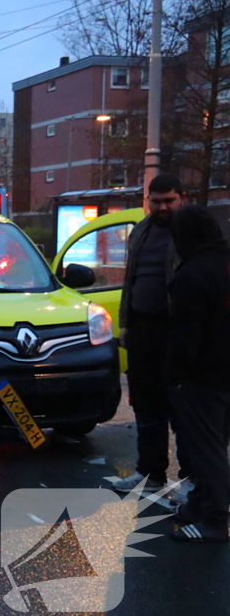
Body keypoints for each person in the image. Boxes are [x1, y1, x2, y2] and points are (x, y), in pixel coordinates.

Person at [111, 174, 191, 495]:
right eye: (155, 200)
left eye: (168, 200)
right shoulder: (141, 231)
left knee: (183, 408)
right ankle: (149, 473)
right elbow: (130, 279)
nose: (161, 207)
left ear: (181, 198)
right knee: (145, 404)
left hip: (175, 331)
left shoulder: (189, 233)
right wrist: (126, 324)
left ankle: (190, 480)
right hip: (143, 330)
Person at [165, 206, 230, 542]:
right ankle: (200, 504)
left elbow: (185, 336)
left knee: (206, 449)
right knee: (217, 443)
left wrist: (176, 376)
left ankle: (216, 519)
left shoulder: (192, 275)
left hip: (203, 376)